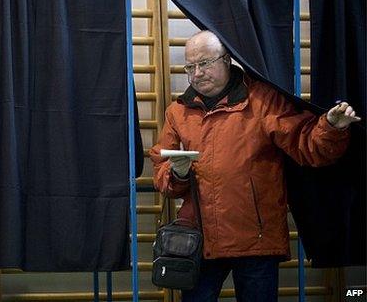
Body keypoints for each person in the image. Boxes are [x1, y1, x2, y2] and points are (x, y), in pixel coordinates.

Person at [149, 31, 360, 302]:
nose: (197, 73)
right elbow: (161, 170)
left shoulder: (262, 100)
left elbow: (306, 146)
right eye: (190, 67)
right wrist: (177, 172)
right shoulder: (178, 112)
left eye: (205, 63)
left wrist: (331, 127)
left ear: (227, 60)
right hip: (200, 241)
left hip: (256, 241)